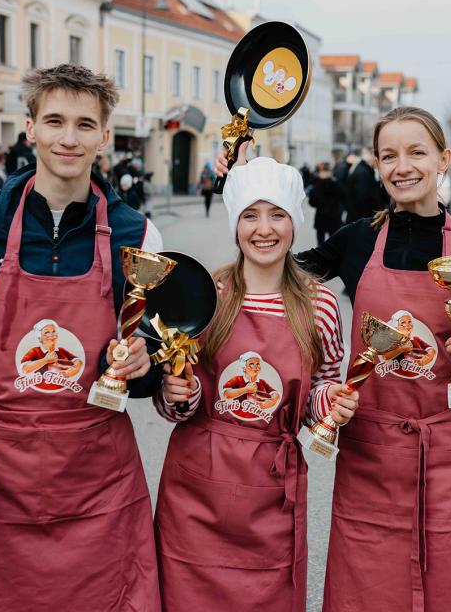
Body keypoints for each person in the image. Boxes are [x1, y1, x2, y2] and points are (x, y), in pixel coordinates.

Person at [0, 64, 163, 610]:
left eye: (84, 124)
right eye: (54, 121)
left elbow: (150, 365)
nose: (68, 139)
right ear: (29, 128)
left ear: (105, 134)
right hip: (1, 474)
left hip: (99, 479)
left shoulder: (139, 235)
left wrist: (145, 365)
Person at [267, 107, 451, 610]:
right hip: (371, 445)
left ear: (443, 160)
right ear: (377, 165)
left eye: (416, 153)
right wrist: (256, 195)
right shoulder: (357, 240)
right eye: (389, 155)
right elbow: (279, 274)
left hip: (445, 442)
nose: (402, 166)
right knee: (369, 576)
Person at [154, 156, 356, 612]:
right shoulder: (208, 293)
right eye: (250, 215)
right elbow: (175, 401)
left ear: (295, 222)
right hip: (196, 492)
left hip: (271, 493)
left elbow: (320, 388)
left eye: (277, 214)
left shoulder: (320, 304)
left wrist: (331, 405)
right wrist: (176, 395)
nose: (264, 229)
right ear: (235, 224)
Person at [343, 150, 387, 224]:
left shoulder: (365, 170)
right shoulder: (363, 172)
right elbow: (362, 197)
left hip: (360, 217)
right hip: (361, 218)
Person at [307, 161, 344, 245]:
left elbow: (311, 202)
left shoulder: (316, 186)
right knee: (334, 241)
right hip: (334, 217)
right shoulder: (336, 185)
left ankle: (321, 257)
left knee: (320, 242)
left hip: (321, 217)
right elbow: (343, 197)